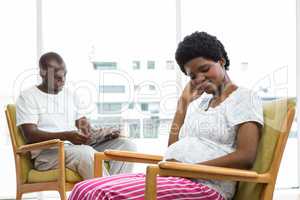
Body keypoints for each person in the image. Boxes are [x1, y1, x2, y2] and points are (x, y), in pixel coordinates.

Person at [69, 32, 264, 200]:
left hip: (206, 187)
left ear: (221, 61)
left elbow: (246, 156)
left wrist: (189, 169)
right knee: (83, 188)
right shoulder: (203, 104)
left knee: (101, 194)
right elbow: (173, 149)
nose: (200, 78)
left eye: (205, 69)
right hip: (173, 176)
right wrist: (182, 105)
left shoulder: (244, 97)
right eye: (193, 76)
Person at [16, 52, 137, 180]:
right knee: (86, 153)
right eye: (57, 78)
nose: (62, 81)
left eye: (64, 76)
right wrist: (67, 136)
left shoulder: (70, 95)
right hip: (49, 154)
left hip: (76, 148)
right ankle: (108, 193)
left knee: (127, 146)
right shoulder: (28, 96)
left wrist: (98, 133)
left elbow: (82, 123)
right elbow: (30, 135)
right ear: (43, 74)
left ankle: (111, 191)